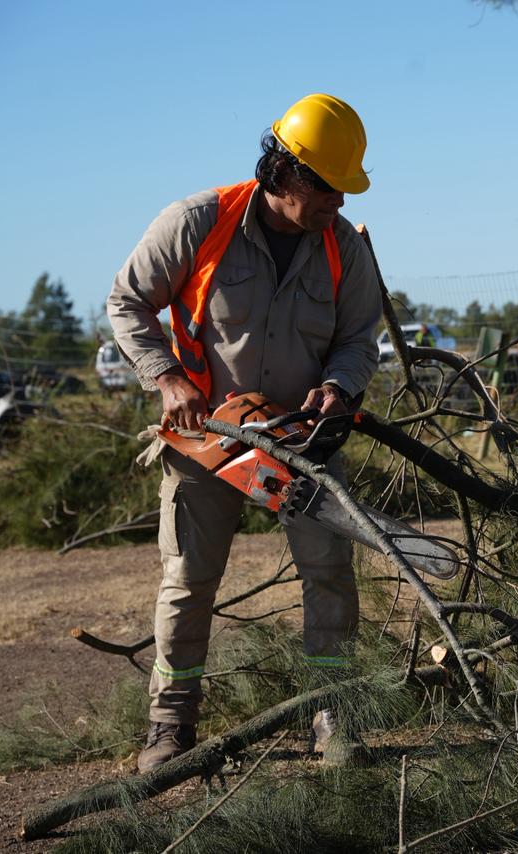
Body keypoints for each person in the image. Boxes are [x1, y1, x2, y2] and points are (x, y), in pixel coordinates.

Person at [106, 93, 382, 771]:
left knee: (329, 572)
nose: (338, 203)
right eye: (328, 187)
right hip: (209, 438)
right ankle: (170, 725)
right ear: (284, 172)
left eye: (345, 190)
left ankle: (333, 716)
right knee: (188, 578)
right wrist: (167, 378)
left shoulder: (343, 247)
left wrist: (337, 388)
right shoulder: (199, 222)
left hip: (301, 443)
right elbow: (128, 301)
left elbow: (358, 339)